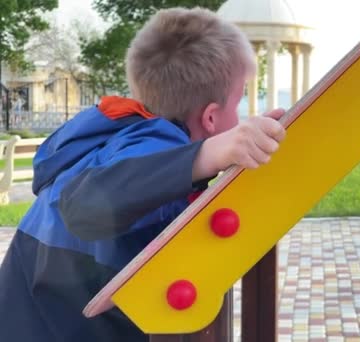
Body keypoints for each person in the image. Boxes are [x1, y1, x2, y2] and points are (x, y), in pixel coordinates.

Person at [0, 7, 286, 342]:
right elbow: (84, 207)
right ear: (210, 119)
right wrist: (205, 155)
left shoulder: (119, 141)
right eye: (237, 104)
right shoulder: (156, 142)